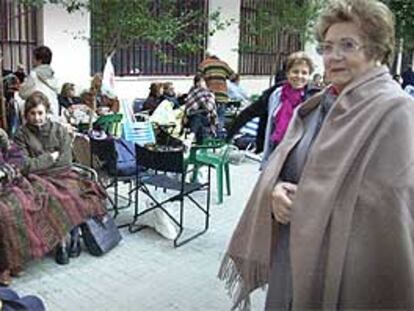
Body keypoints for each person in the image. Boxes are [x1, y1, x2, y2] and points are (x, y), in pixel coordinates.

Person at [219, 0, 414, 310]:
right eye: (327, 46)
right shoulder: (316, 107)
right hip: (294, 252)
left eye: (347, 45)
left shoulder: (395, 110)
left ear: (376, 49)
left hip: (345, 266)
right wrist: (274, 190)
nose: (333, 56)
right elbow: (288, 169)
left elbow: (387, 205)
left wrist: (306, 201)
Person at [12, 92, 107, 267]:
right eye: (32, 114)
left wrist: (41, 162)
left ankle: (74, 234)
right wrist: (50, 158)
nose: (37, 118)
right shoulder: (21, 135)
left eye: (40, 113)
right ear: (26, 115)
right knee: (49, 197)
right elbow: (24, 166)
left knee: (75, 194)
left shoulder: (59, 129)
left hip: (64, 174)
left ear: (46, 111)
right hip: (37, 178)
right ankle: (62, 242)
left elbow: (66, 161)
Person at [261, 51, 316, 166]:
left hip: (301, 156)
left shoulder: (313, 98)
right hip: (277, 150)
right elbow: (270, 127)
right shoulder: (277, 95)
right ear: (287, 73)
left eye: (304, 73)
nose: (299, 76)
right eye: (295, 71)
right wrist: (266, 160)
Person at [198, 53, 236, 136]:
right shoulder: (223, 64)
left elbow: (198, 79)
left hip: (210, 96)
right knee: (220, 117)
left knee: (209, 118)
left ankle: (209, 137)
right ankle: (219, 137)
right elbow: (234, 77)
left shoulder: (204, 64)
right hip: (222, 96)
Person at [19, 46, 60, 119]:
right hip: (53, 111)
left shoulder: (34, 74)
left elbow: (23, 93)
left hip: (37, 113)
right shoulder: (53, 75)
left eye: (34, 58)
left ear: (39, 60)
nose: (32, 61)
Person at [184, 74, 217, 143]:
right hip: (193, 117)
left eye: (202, 81)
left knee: (199, 119)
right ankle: (193, 137)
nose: (200, 83)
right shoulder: (193, 92)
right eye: (198, 81)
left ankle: (192, 135)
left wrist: (203, 102)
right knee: (197, 118)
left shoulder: (209, 93)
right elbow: (189, 107)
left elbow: (209, 107)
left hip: (207, 117)